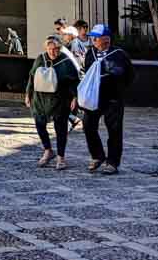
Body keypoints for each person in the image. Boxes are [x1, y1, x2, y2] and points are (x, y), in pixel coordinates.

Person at [81, 24, 133, 175]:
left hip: (113, 99)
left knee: (114, 130)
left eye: (95, 38)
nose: (93, 40)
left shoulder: (119, 54)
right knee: (88, 125)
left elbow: (130, 75)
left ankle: (112, 162)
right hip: (94, 98)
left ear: (105, 40)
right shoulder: (90, 53)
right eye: (93, 38)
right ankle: (97, 156)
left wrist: (118, 89)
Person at [24, 35, 80, 170]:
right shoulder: (40, 59)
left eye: (55, 49)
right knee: (39, 123)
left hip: (60, 99)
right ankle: (48, 150)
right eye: (49, 49)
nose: (52, 52)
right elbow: (32, 77)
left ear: (60, 48)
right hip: (40, 99)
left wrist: (75, 97)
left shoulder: (66, 62)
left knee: (60, 128)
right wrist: (28, 94)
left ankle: (61, 157)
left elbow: (75, 81)